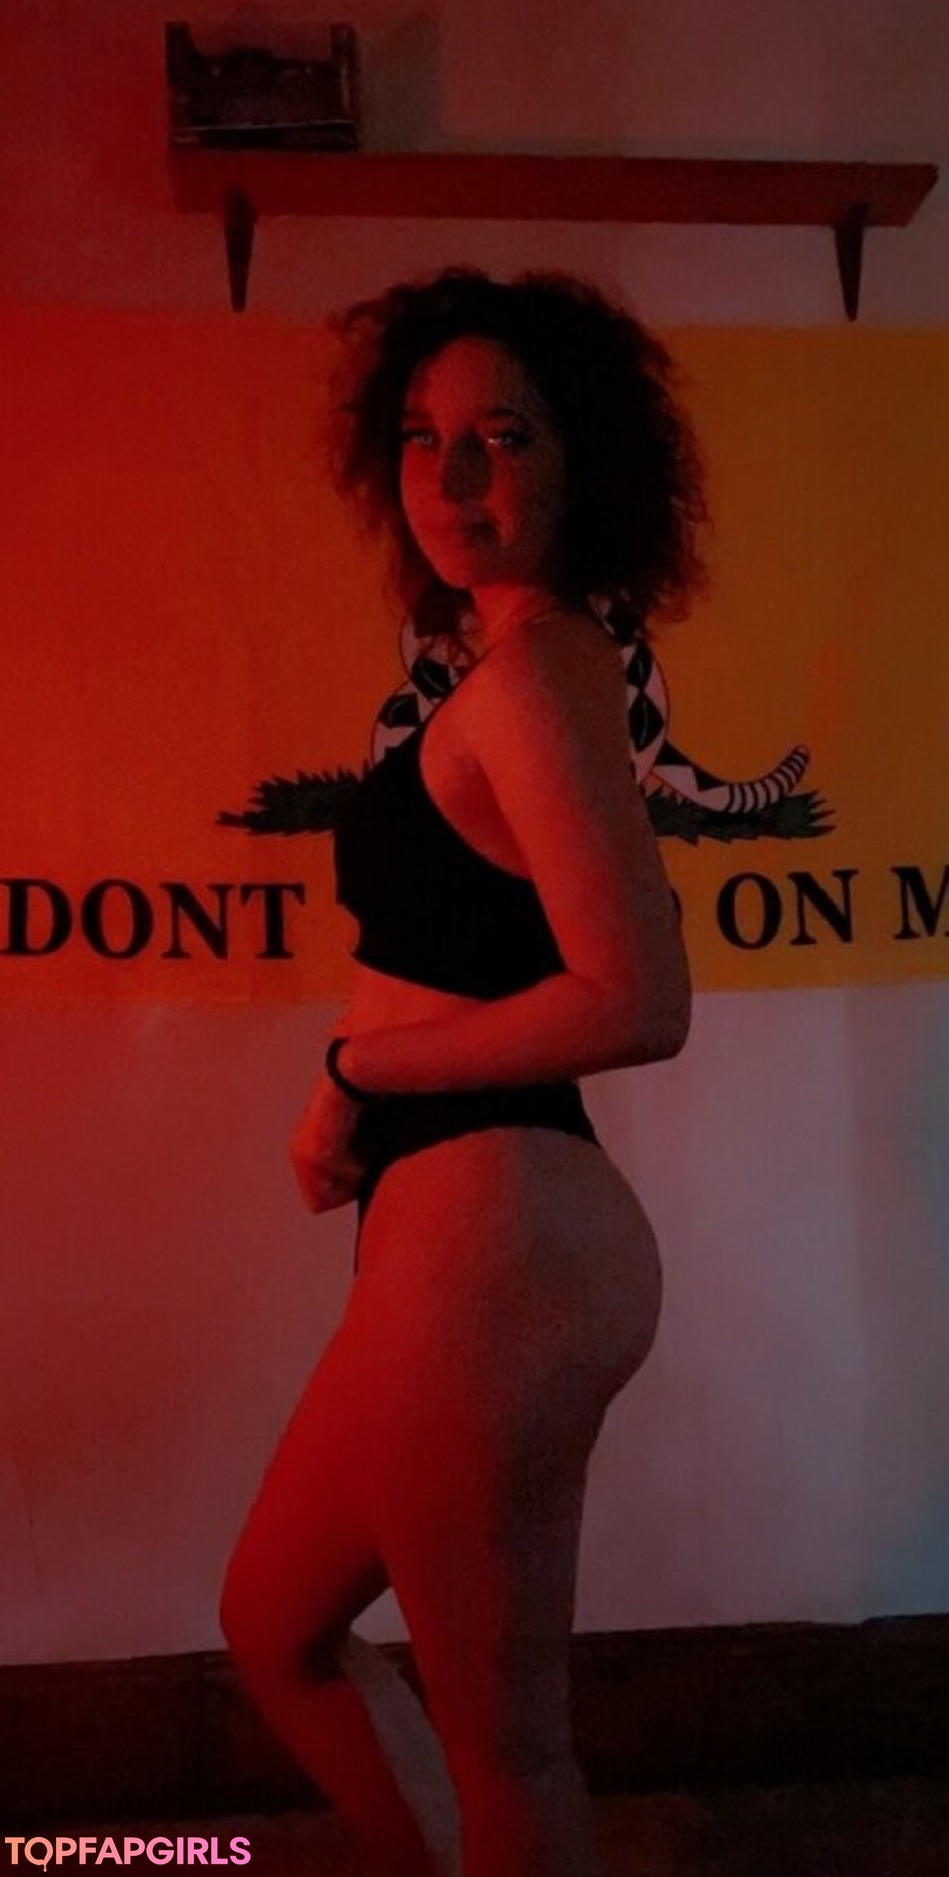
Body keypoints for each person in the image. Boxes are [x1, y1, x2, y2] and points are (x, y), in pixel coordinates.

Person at [219, 266, 710, 1877]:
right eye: (425, 439)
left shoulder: (540, 671)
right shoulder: (509, 674)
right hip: (471, 1240)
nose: (455, 476)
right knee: (275, 1622)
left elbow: (638, 998)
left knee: (513, 1756)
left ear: (583, 463)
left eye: (504, 435)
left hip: (500, 1247)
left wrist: (357, 1067)